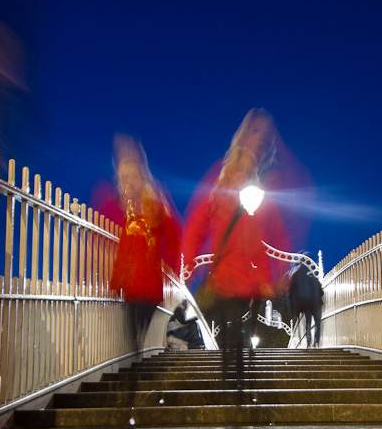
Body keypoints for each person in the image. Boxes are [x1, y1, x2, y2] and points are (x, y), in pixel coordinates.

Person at [182, 110, 290, 390]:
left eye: (247, 170)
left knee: (244, 330)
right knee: (230, 328)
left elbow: (267, 241)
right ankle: (232, 372)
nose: (242, 173)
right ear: (230, 167)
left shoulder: (256, 201)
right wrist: (188, 257)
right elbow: (197, 225)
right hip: (224, 279)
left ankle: (240, 372)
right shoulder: (217, 194)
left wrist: (272, 275)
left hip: (248, 281)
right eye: (238, 168)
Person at [104, 135, 181, 350]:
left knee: (143, 318)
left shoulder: (155, 205)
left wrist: (170, 262)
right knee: (132, 328)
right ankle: (135, 353)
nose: (129, 181)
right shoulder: (121, 208)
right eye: (124, 177)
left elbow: (174, 234)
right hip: (131, 283)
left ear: (142, 177)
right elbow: (120, 248)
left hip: (150, 280)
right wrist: (115, 282)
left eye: (133, 176)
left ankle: (137, 350)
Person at [287, 262, 323, 347]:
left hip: (308, 304)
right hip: (317, 303)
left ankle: (308, 337)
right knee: (318, 322)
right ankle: (316, 340)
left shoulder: (301, 278)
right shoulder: (314, 279)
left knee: (308, 322)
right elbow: (321, 292)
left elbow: (291, 291)